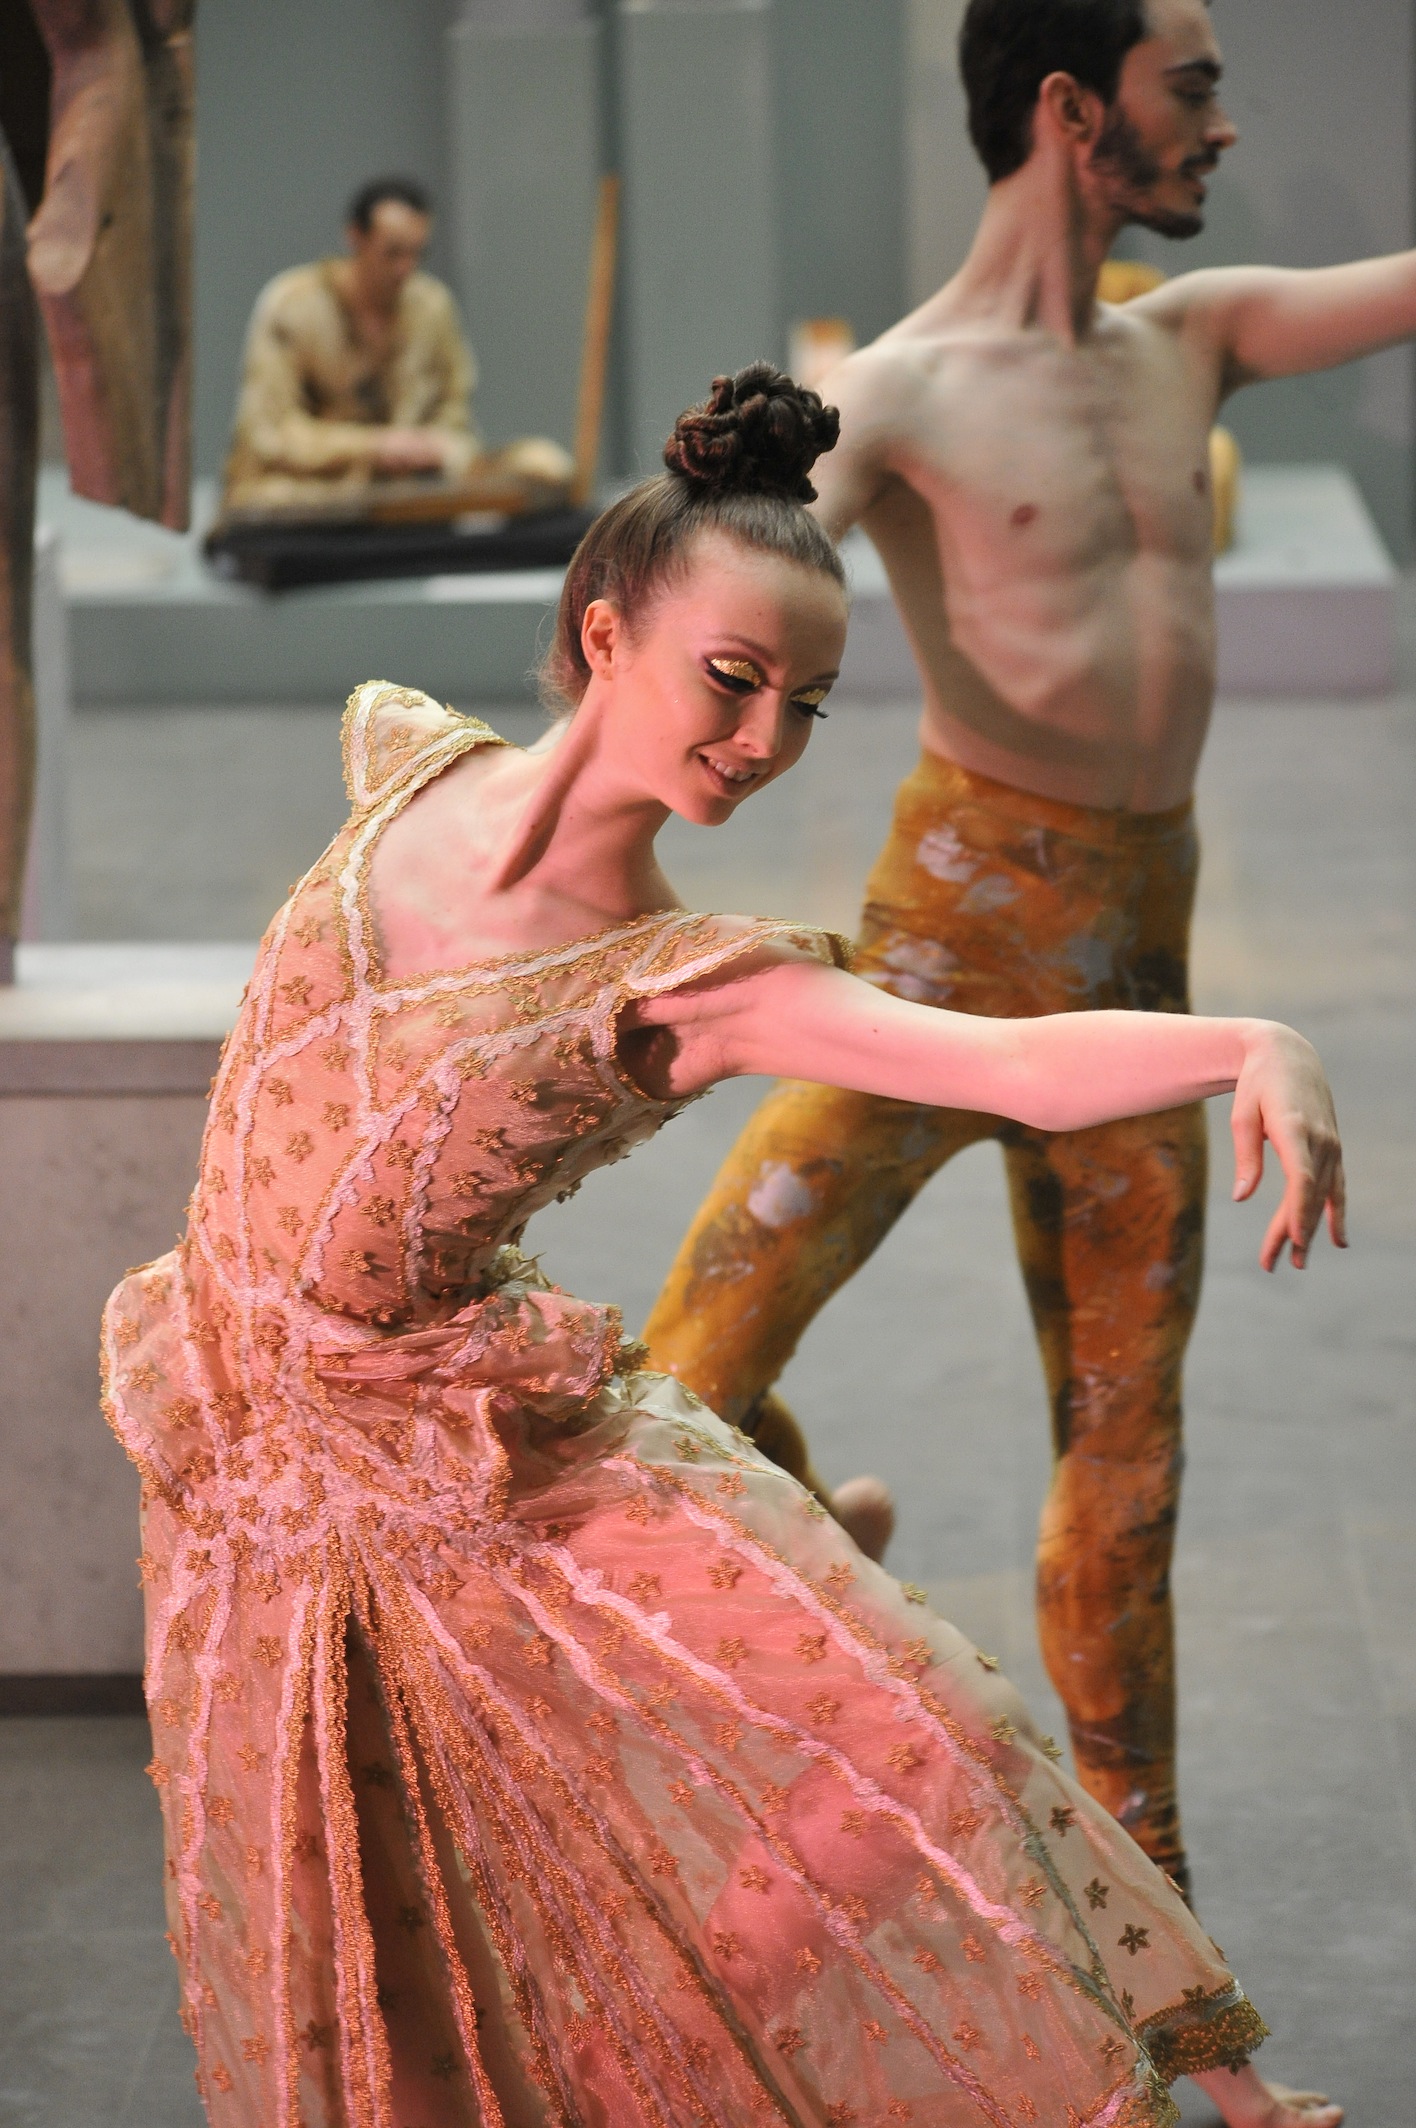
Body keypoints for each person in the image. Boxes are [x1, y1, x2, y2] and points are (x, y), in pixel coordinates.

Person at [104, 367, 1344, 2128]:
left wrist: (1247, 1044)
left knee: (925, 1738)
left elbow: (1001, 1063)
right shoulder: (407, 762)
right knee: (380, 1963)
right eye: (734, 677)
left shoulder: (688, 982)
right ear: (604, 634)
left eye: (807, 705)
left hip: (465, 1470)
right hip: (248, 1478)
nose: (764, 739)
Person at [642, 0, 1414, 1898]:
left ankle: (1154, 1932)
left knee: (1126, 1481)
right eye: (1193, 86)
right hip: (936, 960)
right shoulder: (901, 392)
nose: (1223, 126)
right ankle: (826, 1556)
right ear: (1074, 107)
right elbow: (710, 597)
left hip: (1138, 981)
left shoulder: (1193, 337)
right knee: (683, 1377)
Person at [219, 174, 573, 516]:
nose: (406, 268)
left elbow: (454, 414)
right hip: (316, 490)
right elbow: (270, 434)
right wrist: (374, 446)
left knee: (545, 465)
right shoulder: (293, 305)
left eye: (417, 253)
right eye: (392, 253)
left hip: (412, 488)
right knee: (266, 496)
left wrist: (433, 448)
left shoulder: (431, 306)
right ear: (355, 237)